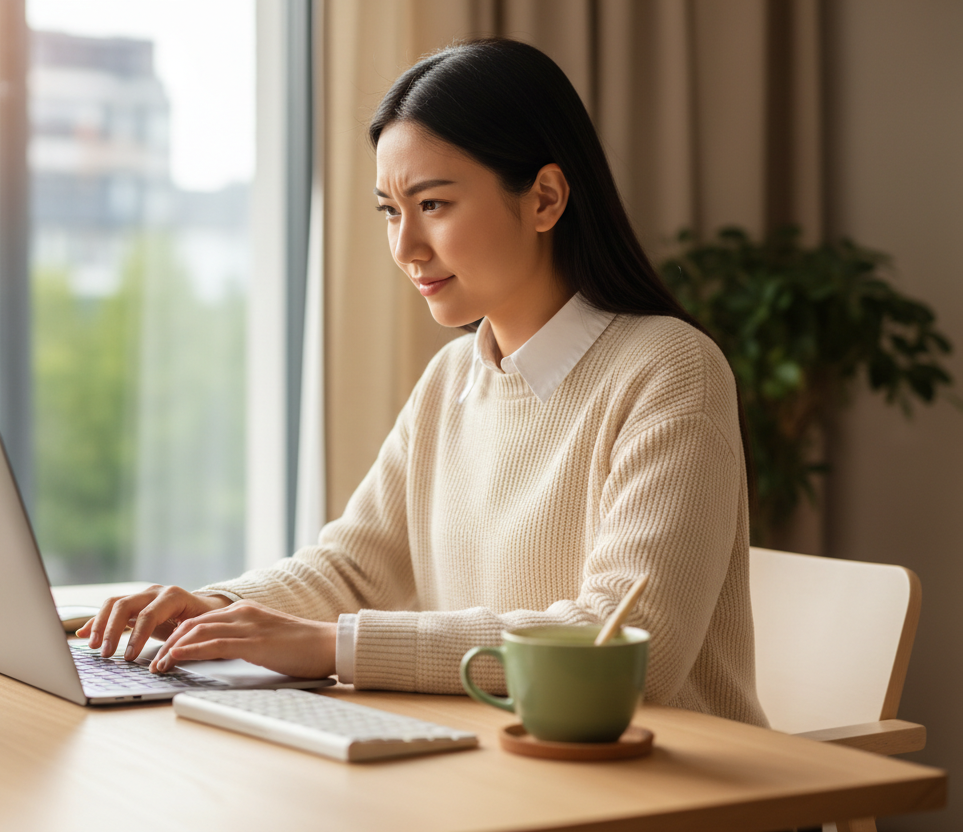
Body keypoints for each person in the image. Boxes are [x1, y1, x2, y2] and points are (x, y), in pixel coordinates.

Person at [78, 38, 767, 726]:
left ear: (546, 199)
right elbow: (353, 569)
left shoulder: (670, 370)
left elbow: (628, 645)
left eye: (432, 204)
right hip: (504, 771)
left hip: (672, 795)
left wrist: (334, 647)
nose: (405, 247)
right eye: (389, 210)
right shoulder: (452, 378)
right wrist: (217, 608)